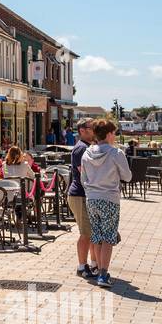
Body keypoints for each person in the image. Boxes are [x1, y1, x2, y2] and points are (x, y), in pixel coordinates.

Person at [79, 118, 132, 288]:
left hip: (92, 198)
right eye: (114, 133)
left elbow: (83, 178)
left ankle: (97, 269)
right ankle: (103, 274)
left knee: (97, 236)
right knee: (108, 238)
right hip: (109, 198)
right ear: (109, 134)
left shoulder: (87, 153)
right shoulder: (116, 153)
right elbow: (128, 177)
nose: (115, 136)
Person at [67, 119, 97, 280]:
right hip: (79, 195)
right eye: (92, 127)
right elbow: (86, 174)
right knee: (85, 233)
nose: (95, 130)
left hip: (86, 194)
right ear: (82, 130)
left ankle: (94, 264)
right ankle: (81, 266)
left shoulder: (88, 147)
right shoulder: (81, 149)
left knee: (91, 232)